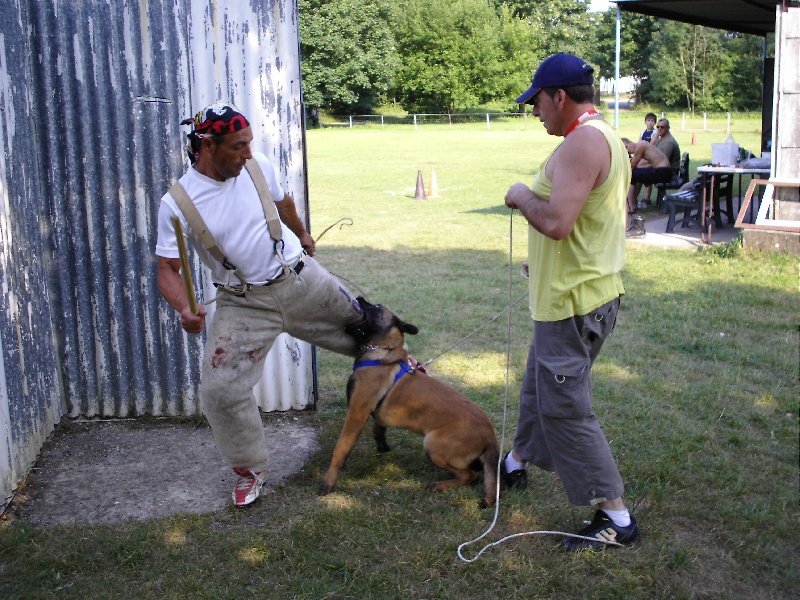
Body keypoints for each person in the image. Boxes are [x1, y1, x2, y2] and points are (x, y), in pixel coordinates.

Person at [156, 102, 365, 507]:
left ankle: (415, 387)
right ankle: (249, 469)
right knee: (219, 390)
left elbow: (283, 202)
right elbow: (167, 269)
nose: (248, 153)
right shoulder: (177, 203)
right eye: (238, 146)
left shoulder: (258, 165)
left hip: (301, 279)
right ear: (207, 146)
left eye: (249, 143)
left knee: (370, 330)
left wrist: (302, 235)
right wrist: (184, 308)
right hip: (242, 305)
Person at [501, 53, 639, 551]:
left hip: (573, 304)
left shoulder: (583, 141)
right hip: (574, 293)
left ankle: (616, 520)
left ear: (560, 96)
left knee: (566, 410)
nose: (534, 111)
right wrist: (544, 264)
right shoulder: (603, 135)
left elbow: (557, 222)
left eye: (537, 100)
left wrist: (520, 195)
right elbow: (594, 221)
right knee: (540, 388)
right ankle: (515, 464)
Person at [621, 137, 673, 213]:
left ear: (631, 142)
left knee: (631, 174)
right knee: (635, 173)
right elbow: (643, 164)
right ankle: (633, 205)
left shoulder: (640, 145)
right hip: (664, 171)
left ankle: (630, 207)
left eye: (626, 147)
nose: (628, 151)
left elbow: (633, 165)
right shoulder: (642, 145)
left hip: (663, 172)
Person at [637, 112, 658, 207]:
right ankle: (634, 197)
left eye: (652, 121)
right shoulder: (642, 132)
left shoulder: (655, 133)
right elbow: (639, 144)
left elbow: (651, 145)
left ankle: (647, 198)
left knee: (647, 179)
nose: (650, 123)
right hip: (642, 156)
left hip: (650, 157)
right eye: (648, 121)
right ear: (645, 122)